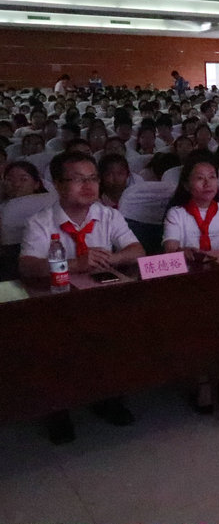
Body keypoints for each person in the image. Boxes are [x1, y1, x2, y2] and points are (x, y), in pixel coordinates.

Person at [19, 152, 145, 444]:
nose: (88, 186)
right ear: (58, 185)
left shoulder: (109, 215)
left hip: (102, 299)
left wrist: (112, 258)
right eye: (78, 179)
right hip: (58, 302)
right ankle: (58, 410)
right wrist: (75, 264)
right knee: (57, 346)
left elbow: (137, 250)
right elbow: (26, 266)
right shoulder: (40, 221)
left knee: (116, 338)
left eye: (92, 179)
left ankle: (107, 398)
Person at [162, 151, 219, 255]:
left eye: (212, 177)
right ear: (186, 185)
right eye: (200, 178)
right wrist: (181, 252)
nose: (207, 183)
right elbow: (171, 250)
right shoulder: (176, 214)